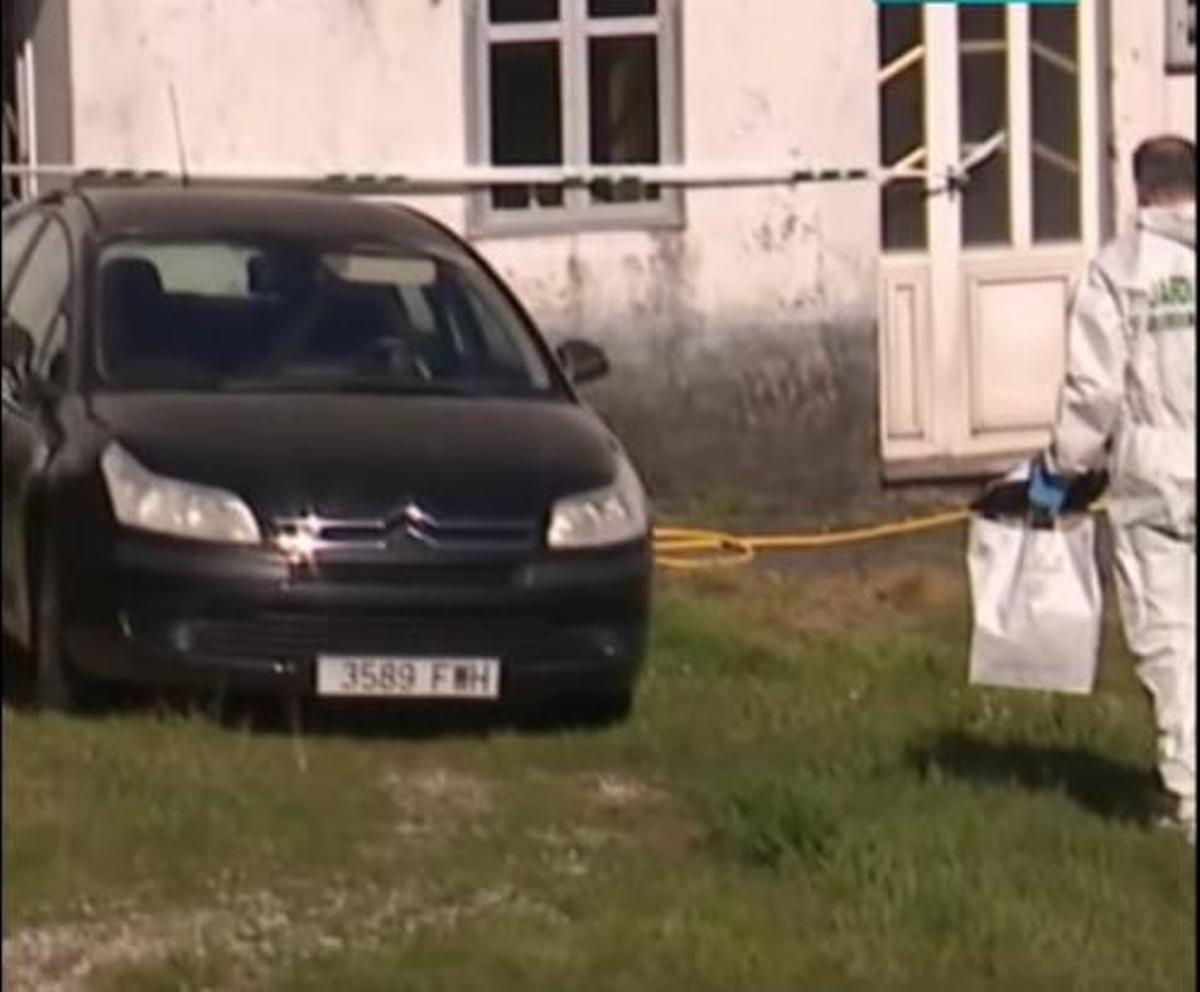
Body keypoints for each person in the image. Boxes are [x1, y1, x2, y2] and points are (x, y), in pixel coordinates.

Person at [1028, 135, 1196, 847]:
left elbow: (1094, 389)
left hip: (1156, 472)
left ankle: (1190, 794)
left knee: (1170, 635)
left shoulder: (1120, 270)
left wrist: (1059, 470)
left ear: (1140, 188)